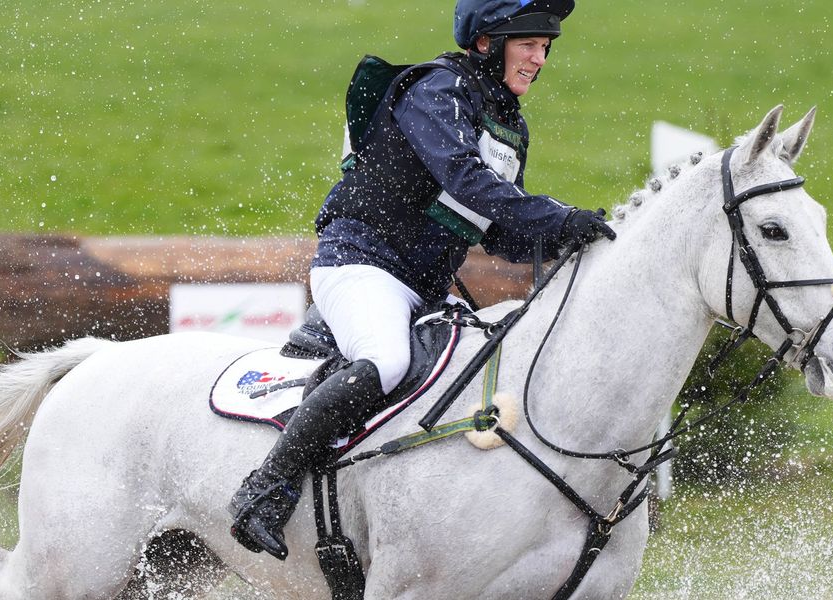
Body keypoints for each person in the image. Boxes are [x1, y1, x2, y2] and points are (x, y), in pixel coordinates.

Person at [227, 0, 615, 560]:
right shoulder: (437, 91)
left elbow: (498, 231)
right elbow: (465, 178)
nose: (540, 58)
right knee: (386, 362)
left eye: (546, 47)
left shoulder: (509, 125)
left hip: (427, 290)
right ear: (486, 43)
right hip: (362, 264)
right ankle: (266, 488)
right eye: (529, 44)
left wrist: (568, 242)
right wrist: (557, 217)